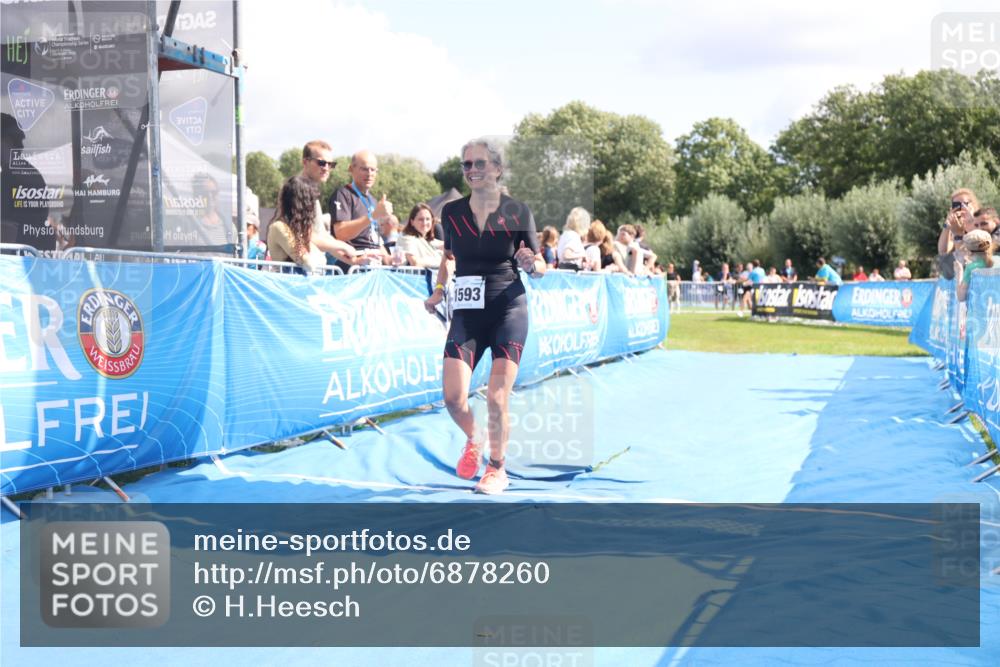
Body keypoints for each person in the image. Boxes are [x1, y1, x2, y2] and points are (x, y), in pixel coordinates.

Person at [423, 138, 545, 495]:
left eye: (479, 164)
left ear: (497, 169)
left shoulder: (518, 211)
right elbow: (448, 258)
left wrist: (531, 264)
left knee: (495, 396)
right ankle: (474, 438)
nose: (472, 170)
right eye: (466, 165)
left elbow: (540, 265)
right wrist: (440, 291)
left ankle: (496, 468)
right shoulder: (452, 213)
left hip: (508, 307)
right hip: (467, 313)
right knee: (453, 397)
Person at [267, 176, 358, 273]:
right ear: (302, 205)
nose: (313, 208)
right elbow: (308, 263)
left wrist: (349, 252)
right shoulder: (279, 227)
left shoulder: (303, 231)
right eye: (311, 202)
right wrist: (343, 247)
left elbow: (325, 243)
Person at [330, 150, 393, 268]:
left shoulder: (373, 201)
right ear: (351, 169)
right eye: (364, 169)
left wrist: (389, 259)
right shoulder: (343, 194)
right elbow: (341, 233)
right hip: (352, 266)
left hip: (374, 266)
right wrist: (372, 216)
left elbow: (374, 240)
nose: (369, 174)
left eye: (373, 170)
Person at [398, 203, 444, 268]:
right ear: (412, 222)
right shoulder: (406, 238)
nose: (425, 223)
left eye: (428, 219)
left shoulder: (429, 241)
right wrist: (442, 261)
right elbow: (415, 262)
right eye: (420, 219)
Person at [957, 229, 993, 302]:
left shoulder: (971, 268)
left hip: (979, 310)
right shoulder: (998, 260)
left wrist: (959, 272)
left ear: (969, 252)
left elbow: (961, 297)